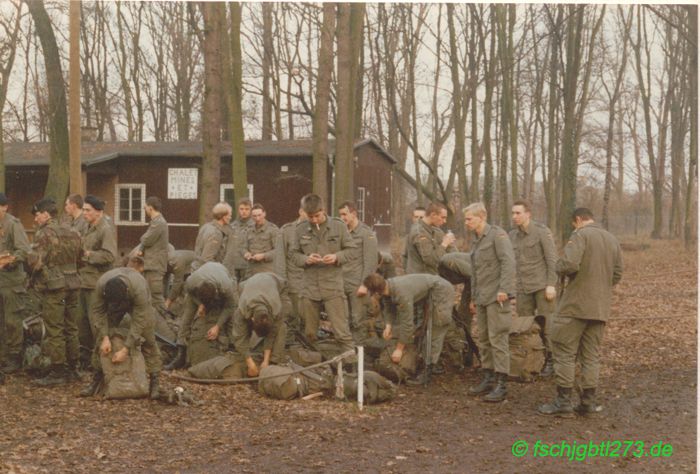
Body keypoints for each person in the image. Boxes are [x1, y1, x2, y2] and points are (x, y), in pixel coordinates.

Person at [538, 208, 623, 417]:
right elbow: (618, 273)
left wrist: (558, 267)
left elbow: (569, 263)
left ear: (577, 220)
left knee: (564, 352)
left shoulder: (580, 235)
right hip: (600, 308)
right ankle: (588, 403)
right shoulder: (612, 239)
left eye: (573, 224)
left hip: (574, 307)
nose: (573, 227)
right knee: (591, 356)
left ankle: (563, 402)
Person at [80, 267, 163, 399]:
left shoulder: (139, 289)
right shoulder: (101, 286)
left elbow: (139, 323)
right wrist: (105, 337)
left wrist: (126, 349)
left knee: (148, 338)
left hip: (138, 302)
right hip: (113, 304)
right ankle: (96, 379)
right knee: (100, 340)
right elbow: (97, 313)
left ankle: (155, 381)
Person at [290, 193, 357, 354]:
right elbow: (293, 255)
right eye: (310, 217)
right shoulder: (300, 230)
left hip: (332, 286)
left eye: (317, 216)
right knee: (310, 333)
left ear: (324, 210)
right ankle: (317, 368)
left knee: (341, 332)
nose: (314, 220)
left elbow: (352, 250)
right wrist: (306, 259)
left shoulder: (338, 226)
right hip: (310, 288)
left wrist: (336, 257)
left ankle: (351, 366)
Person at [363, 272, 454, 385]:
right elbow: (389, 307)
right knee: (422, 328)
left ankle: (429, 371)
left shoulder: (401, 294)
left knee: (435, 329)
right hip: (429, 291)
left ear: (376, 291)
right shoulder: (387, 288)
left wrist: (399, 349)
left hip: (441, 291)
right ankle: (429, 361)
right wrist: (388, 325)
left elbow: (407, 324)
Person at [27, 198, 82, 385]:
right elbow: (81, 258)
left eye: (37, 215)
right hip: (74, 284)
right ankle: (74, 368)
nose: (35, 219)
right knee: (72, 327)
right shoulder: (74, 231)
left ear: (46, 214)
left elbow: (35, 262)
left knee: (54, 328)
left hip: (54, 287)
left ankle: (58, 370)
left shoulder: (44, 233)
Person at [464, 202, 515, 403]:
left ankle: (502, 383)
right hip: (483, 297)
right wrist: (474, 298)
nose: (466, 223)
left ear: (481, 217)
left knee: (498, 338)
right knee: (484, 339)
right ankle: (488, 377)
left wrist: (504, 289)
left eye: (469, 219)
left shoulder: (498, 235)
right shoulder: (476, 240)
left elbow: (508, 262)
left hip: (497, 297)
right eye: (466, 219)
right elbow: (475, 272)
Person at [509, 199, 558, 376]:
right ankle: (529, 360)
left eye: (518, 213)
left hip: (541, 286)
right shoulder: (512, 236)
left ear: (528, 214)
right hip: (522, 288)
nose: (514, 216)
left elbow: (552, 260)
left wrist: (551, 284)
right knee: (525, 326)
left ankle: (552, 360)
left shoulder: (541, 232)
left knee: (548, 325)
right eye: (513, 213)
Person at [166, 261, 237, 369]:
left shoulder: (226, 287)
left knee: (232, 317)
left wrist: (217, 326)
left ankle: (232, 348)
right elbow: (190, 293)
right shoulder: (192, 282)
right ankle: (181, 353)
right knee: (186, 317)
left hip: (222, 275)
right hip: (198, 290)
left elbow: (230, 307)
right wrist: (200, 304)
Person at [77, 195, 117, 368]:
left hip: (96, 283)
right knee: (82, 323)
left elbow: (110, 255)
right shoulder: (87, 227)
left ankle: (101, 363)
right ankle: (86, 361)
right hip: (83, 281)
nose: (84, 213)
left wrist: (88, 255)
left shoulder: (105, 230)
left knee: (97, 324)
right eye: (84, 209)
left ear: (99, 212)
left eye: (88, 210)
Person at [231, 272, 288, 377]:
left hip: (275, 281)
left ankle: (274, 362)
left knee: (282, 327)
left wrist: (266, 361)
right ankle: (248, 354)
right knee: (240, 330)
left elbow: (272, 334)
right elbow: (239, 338)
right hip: (250, 282)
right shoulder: (242, 309)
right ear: (252, 319)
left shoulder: (276, 309)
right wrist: (250, 363)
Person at [338, 201, 378, 346]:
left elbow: (370, 262)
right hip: (342, 283)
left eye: (344, 214)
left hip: (358, 286)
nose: (342, 218)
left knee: (358, 321)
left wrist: (365, 285)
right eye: (340, 215)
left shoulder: (366, 234)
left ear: (354, 214)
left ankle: (359, 358)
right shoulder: (343, 233)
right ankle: (348, 355)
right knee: (344, 321)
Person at [0, 192, 30, 374]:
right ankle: (3, 356)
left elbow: (24, 251)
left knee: (13, 321)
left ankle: (14, 358)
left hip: (12, 281)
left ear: (4, 207)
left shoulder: (13, 224)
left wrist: (8, 260)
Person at [274, 206, 307, 343]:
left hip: (312, 283)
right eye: (307, 212)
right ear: (300, 211)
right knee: (293, 317)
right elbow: (280, 259)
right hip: (294, 282)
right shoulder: (286, 231)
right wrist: (282, 283)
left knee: (309, 320)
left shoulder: (316, 229)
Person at [136, 196, 169, 315]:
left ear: (150, 208)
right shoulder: (155, 223)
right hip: (151, 265)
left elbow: (147, 239)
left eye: (145, 207)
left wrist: (142, 240)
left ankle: (168, 326)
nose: (144, 210)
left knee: (156, 298)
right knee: (150, 296)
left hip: (155, 266)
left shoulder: (159, 223)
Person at [405, 202, 456, 275]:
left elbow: (451, 252)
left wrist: (450, 243)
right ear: (433, 215)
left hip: (432, 275)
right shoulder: (419, 232)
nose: (445, 221)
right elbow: (430, 260)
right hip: (421, 278)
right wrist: (444, 244)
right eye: (443, 217)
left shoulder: (435, 229)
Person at [191, 202, 233, 273]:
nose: (230, 217)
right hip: (206, 274)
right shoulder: (216, 234)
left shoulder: (206, 226)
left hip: (196, 269)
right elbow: (207, 259)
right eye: (229, 215)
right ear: (223, 216)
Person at [244, 203, 278, 277]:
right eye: (254, 216)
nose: (257, 218)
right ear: (251, 216)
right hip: (251, 270)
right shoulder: (249, 229)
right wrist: (246, 253)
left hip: (266, 270)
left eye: (259, 215)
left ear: (264, 214)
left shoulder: (273, 229)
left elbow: (278, 251)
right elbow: (243, 247)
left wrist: (263, 256)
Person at [231, 197, 254, 282]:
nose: (244, 211)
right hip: (234, 265)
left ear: (251, 210)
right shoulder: (232, 226)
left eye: (247, 209)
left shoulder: (255, 226)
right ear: (238, 210)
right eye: (241, 209)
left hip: (248, 266)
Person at [401, 206, 426, 271]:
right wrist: (406, 270)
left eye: (421, 217)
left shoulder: (433, 233)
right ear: (412, 218)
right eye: (416, 217)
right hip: (412, 273)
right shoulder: (409, 235)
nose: (418, 219)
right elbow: (405, 255)